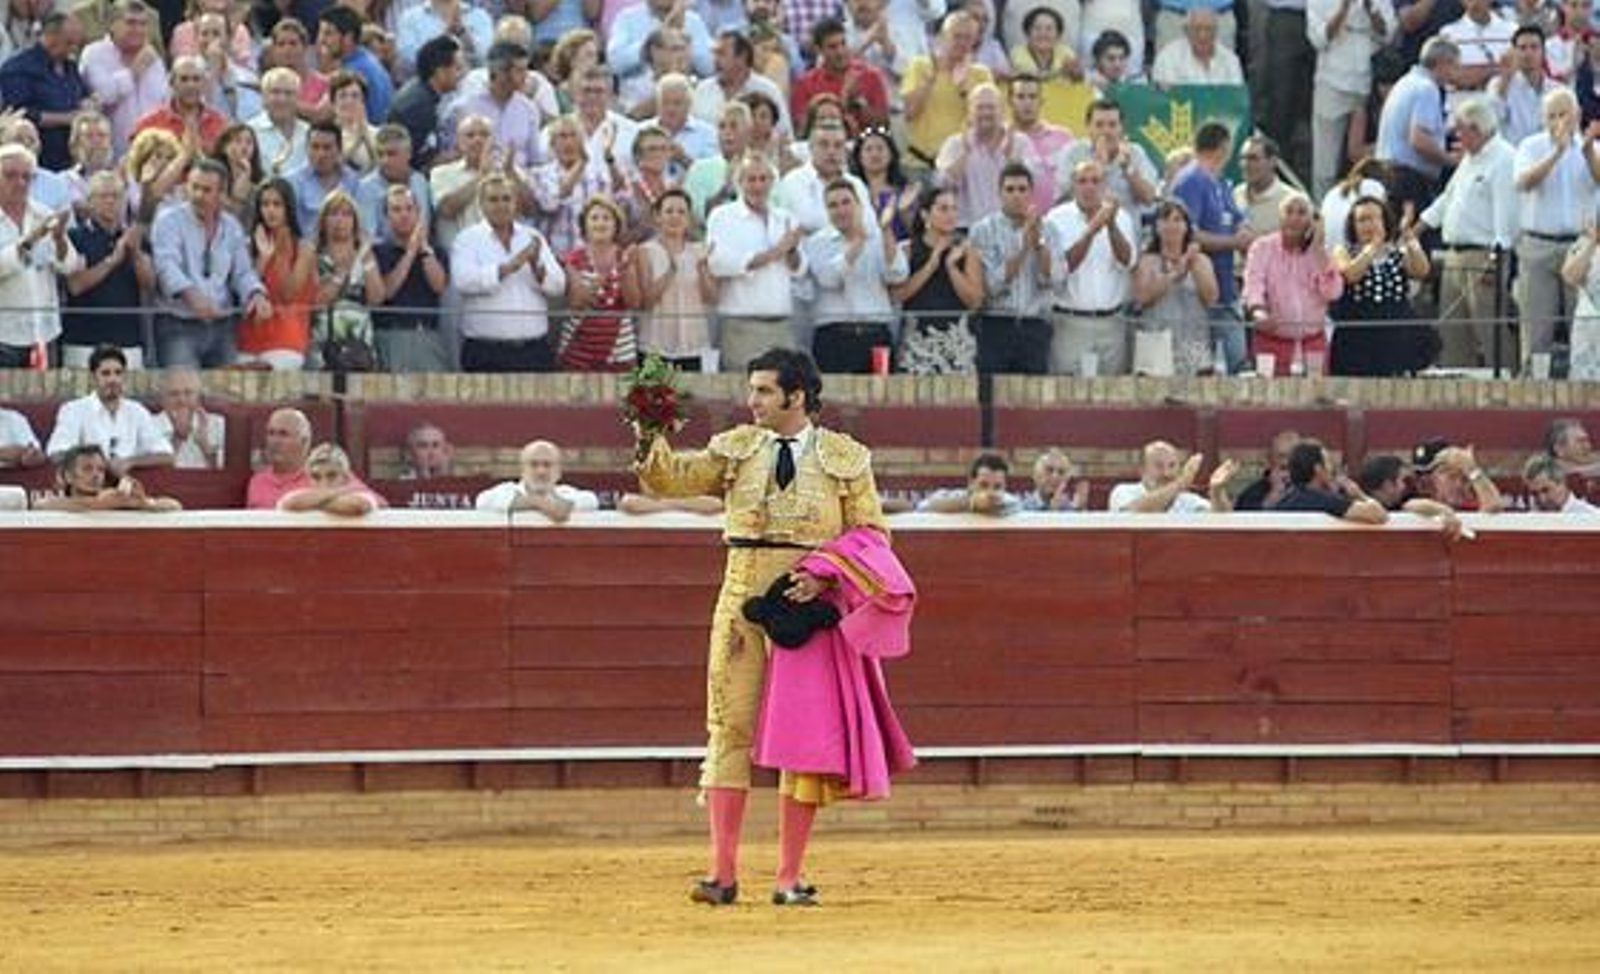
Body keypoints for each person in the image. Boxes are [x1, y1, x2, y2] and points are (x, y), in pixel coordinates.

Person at [634, 347, 886, 907]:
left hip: (805, 607)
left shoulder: (846, 458)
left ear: (797, 396)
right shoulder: (735, 449)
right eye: (752, 391)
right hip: (741, 599)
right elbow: (668, 480)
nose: (751, 402)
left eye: (764, 392)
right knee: (729, 731)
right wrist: (650, 429)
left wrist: (824, 578)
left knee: (802, 743)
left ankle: (788, 877)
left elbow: (871, 535)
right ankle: (722, 875)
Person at [1418, 97, 1516, 369]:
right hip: (1454, 256)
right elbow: (1448, 198)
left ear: (1477, 128)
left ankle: (1505, 383)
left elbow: (1506, 213)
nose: (1457, 136)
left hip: (1484, 255)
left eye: (1461, 130)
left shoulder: (1504, 158)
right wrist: (1418, 227)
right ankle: (1457, 387)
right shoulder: (1469, 159)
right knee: (1452, 331)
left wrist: (1497, 259)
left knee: (1489, 329)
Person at [151, 159, 272, 368]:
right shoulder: (168, 220)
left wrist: (256, 294)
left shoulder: (232, 226)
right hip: (178, 326)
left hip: (222, 326)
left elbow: (242, 272)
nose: (198, 195)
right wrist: (192, 296)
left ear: (221, 193)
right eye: (194, 187)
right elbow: (166, 265)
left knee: (225, 397)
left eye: (206, 190)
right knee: (184, 393)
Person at [1513, 88, 1600, 376]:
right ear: (1543, 119)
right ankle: (1536, 385)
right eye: (1552, 116)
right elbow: (1523, 182)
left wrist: (1586, 151)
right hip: (1538, 245)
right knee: (1538, 328)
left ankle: (1580, 384)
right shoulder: (1531, 146)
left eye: (1564, 114)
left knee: (1583, 324)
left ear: (1577, 115)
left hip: (1580, 247)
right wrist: (1557, 153)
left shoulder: (1592, 147)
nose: (1558, 121)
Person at [451, 172, 567, 372]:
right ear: (481, 204)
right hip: (485, 351)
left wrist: (536, 268)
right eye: (493, 199)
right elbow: (464, 281)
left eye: (506, 199)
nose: (501, 205)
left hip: (533, 351)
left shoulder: (533, 236)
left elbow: (559, 286)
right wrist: (509, 267)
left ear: (516, 203)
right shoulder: (466, 239)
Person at [707, 153, 808, 370]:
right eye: (751, 179)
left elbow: (800, 269)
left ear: (772, 182)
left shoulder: (786, 217)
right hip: (741, 326)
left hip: (781, 324)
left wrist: (790, 251)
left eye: (764, 179)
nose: (758, 185)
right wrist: (774, 253)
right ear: (739, 183)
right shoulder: (722, 216)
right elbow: (718, 263)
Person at [1169, 121, 1252, 373]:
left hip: (1226, 289)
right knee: (1200, 370)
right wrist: (1234, 242)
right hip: (1197, 294)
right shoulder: (1191, 181)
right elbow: (1187, 233)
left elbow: (1237, 220)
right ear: (1224, 147)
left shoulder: (1221, 183)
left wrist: (1245, 233)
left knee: (1238, 366)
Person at [805, 176, 908, 372]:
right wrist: (857, 243)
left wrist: (886, 230)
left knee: (881, 399)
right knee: (833, 401)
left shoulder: (879, 238)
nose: (841, 210)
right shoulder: (817, 242)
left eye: (846, 202)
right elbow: (828, 279)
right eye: (833, 205)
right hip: (833, 336)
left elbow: (897, 274)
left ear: (859, 205)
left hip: (875, 334)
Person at [1045, 159, 1137, 376]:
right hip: (1070, 322)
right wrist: (1091, 231)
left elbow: (1128, 261)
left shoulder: (1122, 217)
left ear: (1104, 186)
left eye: (1096, 181)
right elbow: (1061, 268)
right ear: (1073, 186)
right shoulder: (1056, 219)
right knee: (1068, 395)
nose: (1089, 187)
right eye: (1082, 181)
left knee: (1111, 397)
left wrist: (1111, 225)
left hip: (1111, 322)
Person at [1330, 195, 1436, 376]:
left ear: (1384, 221)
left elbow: (1421, 270)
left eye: (1375, 218)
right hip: (1358, 337)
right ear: (1353, 225)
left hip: (1397, 335)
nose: (1369, 224)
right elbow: (1350, 274)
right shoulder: (1343, 250)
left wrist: (1410, 238)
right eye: (1363, 219)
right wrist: (1372, 248)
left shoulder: (1396, 252)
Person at [1242, 192, 1344, 375]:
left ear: (1313, 221)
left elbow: (1333, 293)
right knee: (1270, 401)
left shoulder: (1321, 253)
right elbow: (1253, 285)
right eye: (1289, 212)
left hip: (1313, 344)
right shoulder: (1262, 247)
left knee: (1315, 401)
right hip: (1271, 341)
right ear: (1280, 217)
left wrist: (1318, 249)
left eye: (1301, 212)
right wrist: (1259, 312)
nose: (1294, 218)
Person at [970, 162, 1054, 376]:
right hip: (996, 325)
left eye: (1022, 189)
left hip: (1034, 325)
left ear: (1031, 193)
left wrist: (1039, 243)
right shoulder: (982, 230)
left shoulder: (1049, 228)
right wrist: (1024, 245)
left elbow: (1053, 279)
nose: (1016, 195)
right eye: (1010, 189)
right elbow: (993, 284)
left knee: (1033, 401)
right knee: (991, 399)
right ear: (999, 193)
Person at [63, 171, 152, 370]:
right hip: (82, 340)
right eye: (103, 196)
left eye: (117, 196)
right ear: (90, 201)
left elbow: (149, 285)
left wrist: (136, 252)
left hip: (128, 341)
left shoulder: (134, 237)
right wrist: (112, 261)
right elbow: (75, 285)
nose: (111, 201)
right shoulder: (75, 236)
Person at [0, 145, 78, 369]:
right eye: (10, 176)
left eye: (27, 177)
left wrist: (61, 239)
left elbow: (69, 266)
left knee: (45, 403)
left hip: (44, 331)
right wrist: (30, 240)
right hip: (4, 334)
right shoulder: (41, 223)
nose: (20, 183)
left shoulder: (43, 214)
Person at [1308, 0, 1395, 197]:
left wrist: (1370, 8)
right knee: (1325, 162)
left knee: (1369, 158)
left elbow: (1388, 33)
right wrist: (1344, 7)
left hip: (1368, 79)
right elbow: (1318, 38)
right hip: (1331, 79)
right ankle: (1322, 211)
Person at [893, 186, 984, 374]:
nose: (950, 215)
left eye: (954, 209)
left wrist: (951, 267)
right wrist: (931, 265)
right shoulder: (907, 249)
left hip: (956, 342)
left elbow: (975, 301)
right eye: (943, 209)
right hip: (917, 340)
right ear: (925, 214)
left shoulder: (966, 250)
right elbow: (898, 295)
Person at [46, 345, 173, 475]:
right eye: (105, 373)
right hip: (86, 488)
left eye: (118, 373)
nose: (113, 380)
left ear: (124, 377)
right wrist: (96, 464)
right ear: (93, 378)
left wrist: (130, 462)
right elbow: (56, 454)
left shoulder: (137, 411)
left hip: (127, 491)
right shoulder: (74, 410)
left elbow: (167, 455)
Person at [1133, 199, 1220, 376]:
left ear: (1187, 226)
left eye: (1178, 219)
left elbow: (1211, 298)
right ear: (1156, 227)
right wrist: (1175, 273)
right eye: (1165, 219)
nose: (1171, 225)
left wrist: (1192, 263)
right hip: (1156, 344)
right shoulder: (1147, 261)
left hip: (1194, 344)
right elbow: (1142, 297)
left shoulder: (1201, 261)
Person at [934, 83, 1039, 228]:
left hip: (1010, 226)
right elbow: (941, 186)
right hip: (967, 228)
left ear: (1002, 111)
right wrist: (965, 153)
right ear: (969, 111)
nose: (986, 113)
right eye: (980, 107)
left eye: (991, 107)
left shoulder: (1020, 142)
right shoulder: (955, 143)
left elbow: (1033, 182)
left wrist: (1009, 156)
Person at [1373, 37, 1459, 214]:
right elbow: (1419, 139)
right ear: (1443, 63)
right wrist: (1450, 160)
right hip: (1408, 179)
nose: (1455, 73)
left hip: (1388, 173)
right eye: (1454, 66)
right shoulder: (1427, 88)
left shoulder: (1405, 82)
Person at [372, 185, 451, 372]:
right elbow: (387, 291)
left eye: (409, 208)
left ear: (418, 213)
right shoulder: (378, 252)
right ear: (386, 215)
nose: (404, 215)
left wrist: (423, 248)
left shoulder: (436, 251)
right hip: (391, 335)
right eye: (396, 209)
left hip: (427, 335)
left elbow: (439, 285)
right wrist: (409, 253)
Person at [241, 177, 317, 371]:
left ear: (288, 208)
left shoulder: (304, 248)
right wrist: (264, 258)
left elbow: (288, 294)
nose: (271, 210)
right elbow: (244, 290)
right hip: (248, 338)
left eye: (277, 204)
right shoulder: (248, 245)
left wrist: (282, 255)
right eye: (265, 204)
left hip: (286, 338)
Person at [0, 10, 88, 171]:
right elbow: (19, 113)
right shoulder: (19, 67)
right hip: (37, 160)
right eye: (69, 43)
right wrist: (67, 118)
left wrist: (90, 103)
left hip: (72, 159)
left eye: (77, 43)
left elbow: (83, 94)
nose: (74, 49)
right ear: (50, 36)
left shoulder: (70, 66)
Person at [901, 11, 991, 168]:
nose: (962, 42)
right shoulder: (920, 66)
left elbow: (986, 123)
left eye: (968, 38)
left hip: (962, 165)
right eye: (957, 36)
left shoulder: (981, 74)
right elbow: (909, 113)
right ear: (943, 37)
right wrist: (928, 83)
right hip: (921, 163)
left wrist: (964, 88)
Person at [560, 195, 639, 372]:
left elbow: (634, 303)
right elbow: (576, 303)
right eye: (594, 218)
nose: (600, 223)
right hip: (577, 351)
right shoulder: (573, 258)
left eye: (606, 218)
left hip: (620, 352)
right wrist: (604, 274)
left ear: (616, 225)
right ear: (584, 225)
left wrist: (626, 269)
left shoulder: (625, 257)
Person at [79, 0, 169, 154]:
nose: (138, 30)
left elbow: (164, 102)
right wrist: (135, 70)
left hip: (152, 154)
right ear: (112, 24)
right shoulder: (94, 54)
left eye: (143, 24)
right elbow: (105, 96)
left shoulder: (153, 58)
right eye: (131, 23)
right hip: (111, 157)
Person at [387, 34, 460, 172]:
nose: (460, 74)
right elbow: (418, 163)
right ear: (440, 72)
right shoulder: (418, 106)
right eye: (456, 68)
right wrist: (458, 157)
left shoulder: (423, 93)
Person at [474, 439, 600, 519]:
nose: (541, 471)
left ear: (558, 472)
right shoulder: (507, 490)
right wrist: (538, 502)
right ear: (522, 470)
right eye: (534, 464)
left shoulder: (567, 492)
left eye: (547, 465)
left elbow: (591, 500)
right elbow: (482, 501)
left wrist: (530, 503)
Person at [33, 444, 182, 511]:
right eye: (87, 469)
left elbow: (175, 505)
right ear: (68, 477)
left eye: (101, 469)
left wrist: (143, 503)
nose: (96, 475)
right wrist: (102, 504)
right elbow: (40, 505)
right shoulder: (55, 502)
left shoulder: (117, 498)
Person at [1270, 439, 1387, 523]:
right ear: (1318, 469)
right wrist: (1358, 494)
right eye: (1328, 463)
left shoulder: (1285, 499)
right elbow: (1378, 515)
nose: (1331, 468)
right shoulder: (1322, 499)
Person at [131, 54, 228, 153]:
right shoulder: (149, 123)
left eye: (196, 79)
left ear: (204, 84)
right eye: (184, 79)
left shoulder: (220, 123)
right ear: (172, 83)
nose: (191, 85)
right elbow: (133, 161)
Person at [1109, 440, 1236, 513]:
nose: (1167, 473)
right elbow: (1134, 514)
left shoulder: (1188, 500)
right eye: (1159, 466)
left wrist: (1217, 491)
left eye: (1172, 466)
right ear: (1142, 469)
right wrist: (1181, 483)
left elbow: (1221, 521)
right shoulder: (1123, 491)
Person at [317, 6, 391, 123]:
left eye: (328, 33)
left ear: (348, 37)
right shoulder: (366, 58)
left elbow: (320, 115)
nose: (321, 40)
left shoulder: (354, 70)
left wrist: (287, 100)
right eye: (321, 33)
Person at [286, 121, 359, 235]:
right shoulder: (291, 182)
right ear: (306, 149)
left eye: (327, 147)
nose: (321, 154)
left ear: (339, 149)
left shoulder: (353, 180)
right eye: (315, 147)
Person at [278, 442, 386, 515]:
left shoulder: (362, 493)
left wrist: (311, 504)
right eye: (316, 477)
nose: (324, 483)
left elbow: (357, 505)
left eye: (332, 476)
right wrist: (340, 491)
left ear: (346, 478)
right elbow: (289, 502)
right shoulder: (301, 495)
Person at [152, 365, 224, 469]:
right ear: (161, 399)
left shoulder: (219, 424)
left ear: (199, 397)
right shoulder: (148, 425)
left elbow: (228, 473)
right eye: (174, 394)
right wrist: (177, 439)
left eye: (188, 393)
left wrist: (205, 446)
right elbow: (151, 475)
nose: (182, 400)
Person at [1151, 7, 1244, 87]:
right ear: (1186, 31)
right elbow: (1162, 100)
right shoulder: (1167, 58)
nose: (1202, 36)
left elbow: (1235, 100)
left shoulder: (1231, 61)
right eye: (1196, 29)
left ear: (1216, 32)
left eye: (1208, 29)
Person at [245, 406, 312, 508]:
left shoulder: (318, 479)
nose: (275, 441)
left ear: (304, 441)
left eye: (283, 434)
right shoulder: (257, 482)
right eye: (271, 433)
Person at [916, 452, 1024, 515]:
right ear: (971, 483)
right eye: (983, 485)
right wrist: (971, 503)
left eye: (997, 487)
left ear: (1005, 487)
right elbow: (922, 507)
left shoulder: (1012, 503)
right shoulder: (958, 496)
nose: (990, 492)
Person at [1234, 430, 1301, 510]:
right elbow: (1243, 519)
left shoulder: (1311, 488)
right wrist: (1270, 499)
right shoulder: (1252, 493)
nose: (1286, 462)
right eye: (1281, 456)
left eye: (1293, 456)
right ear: (1269, 460)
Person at [1523, 452, 1600, 513]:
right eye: (1534, 494)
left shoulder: (1592, 517)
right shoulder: (1529, 521)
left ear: (1561, 483)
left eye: (1546, 490)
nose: (1542, 499)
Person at [1021, 448, 1089, 511]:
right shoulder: (1020, 506)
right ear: (1035, 476)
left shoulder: (1071, 509)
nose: (1055, 477)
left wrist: (1080, 510)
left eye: (1061, 472)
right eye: (1049, 470)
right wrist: (1053, 512)